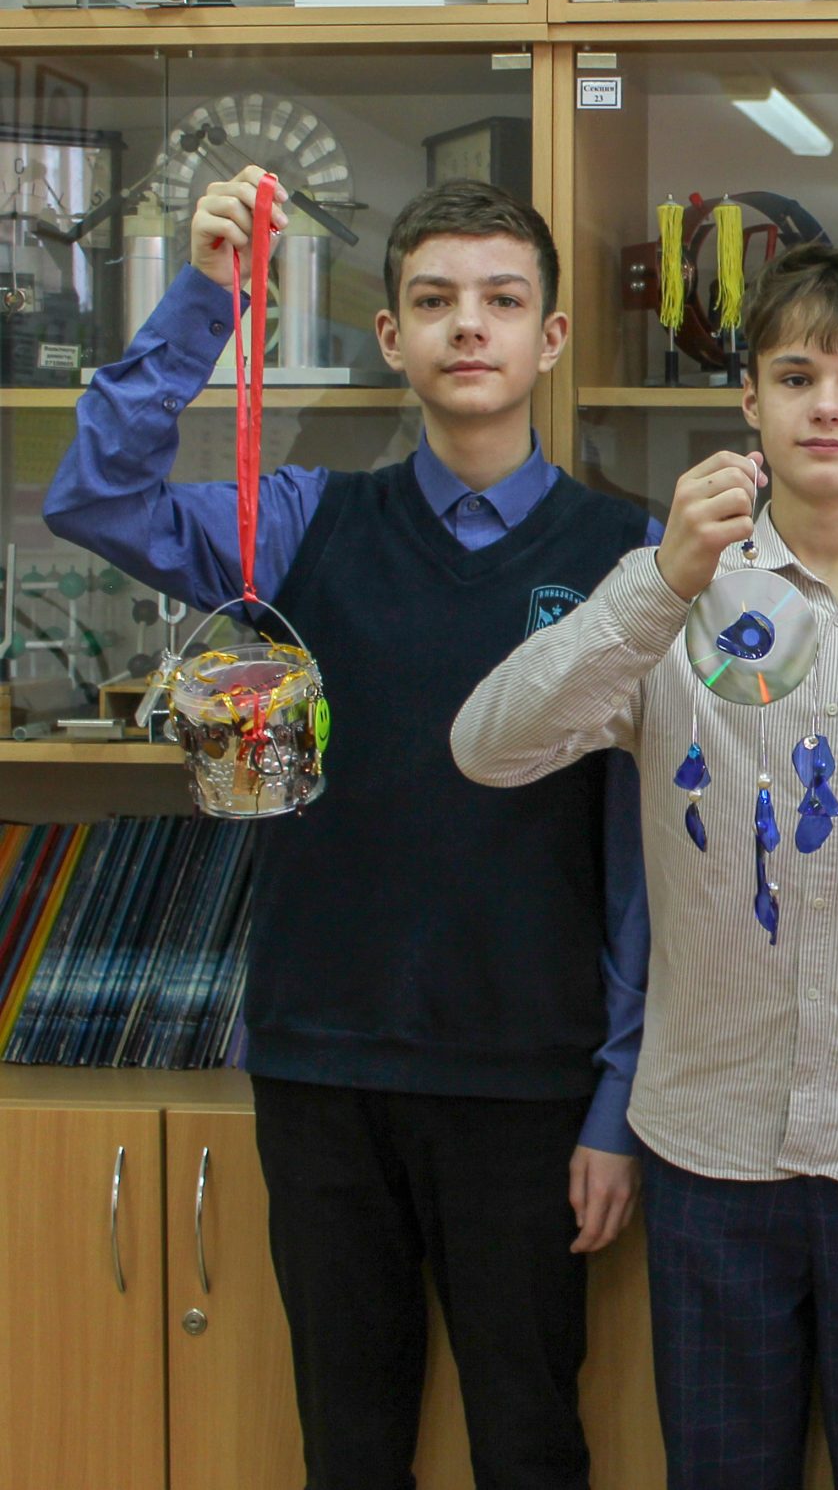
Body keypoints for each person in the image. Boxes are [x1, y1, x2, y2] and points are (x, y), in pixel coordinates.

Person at [45, 175, 650, 1489]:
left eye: (502, 300)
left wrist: (617, 1093)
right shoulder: (299, 520)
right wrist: (209, 297)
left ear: (551, 336)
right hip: (322, 1060)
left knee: (533, 1439)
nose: (468, 324)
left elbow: (648, 859)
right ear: (391, 335)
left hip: (528, 1073)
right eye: (434, 300)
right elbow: (95, 500)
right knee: (349, 1445)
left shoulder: (630, 553)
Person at [452, 241, 838, 1490]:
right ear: (749, 402)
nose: (827, 405)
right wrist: (664, 580)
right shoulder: (669, 598)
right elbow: (488, 746)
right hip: (706, 1157)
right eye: (795, 377)